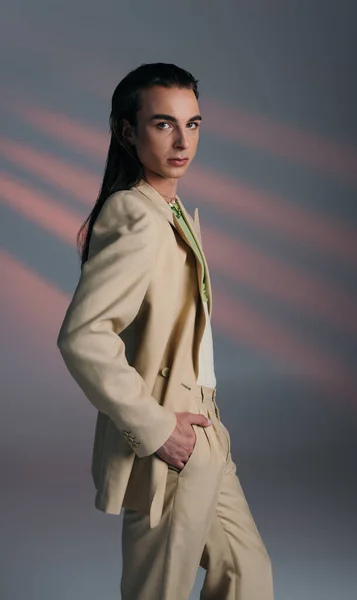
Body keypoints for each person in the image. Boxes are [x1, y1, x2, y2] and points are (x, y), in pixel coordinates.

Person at [57, 62, 273, 600]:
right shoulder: (136, 216)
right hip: (168, 445)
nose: (182, 141)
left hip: (206, 435)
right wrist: (155, 428)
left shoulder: (169, 209)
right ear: (127, 131)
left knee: (248, 577)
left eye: (193, 124)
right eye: (163, 124)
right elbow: (83, 337)